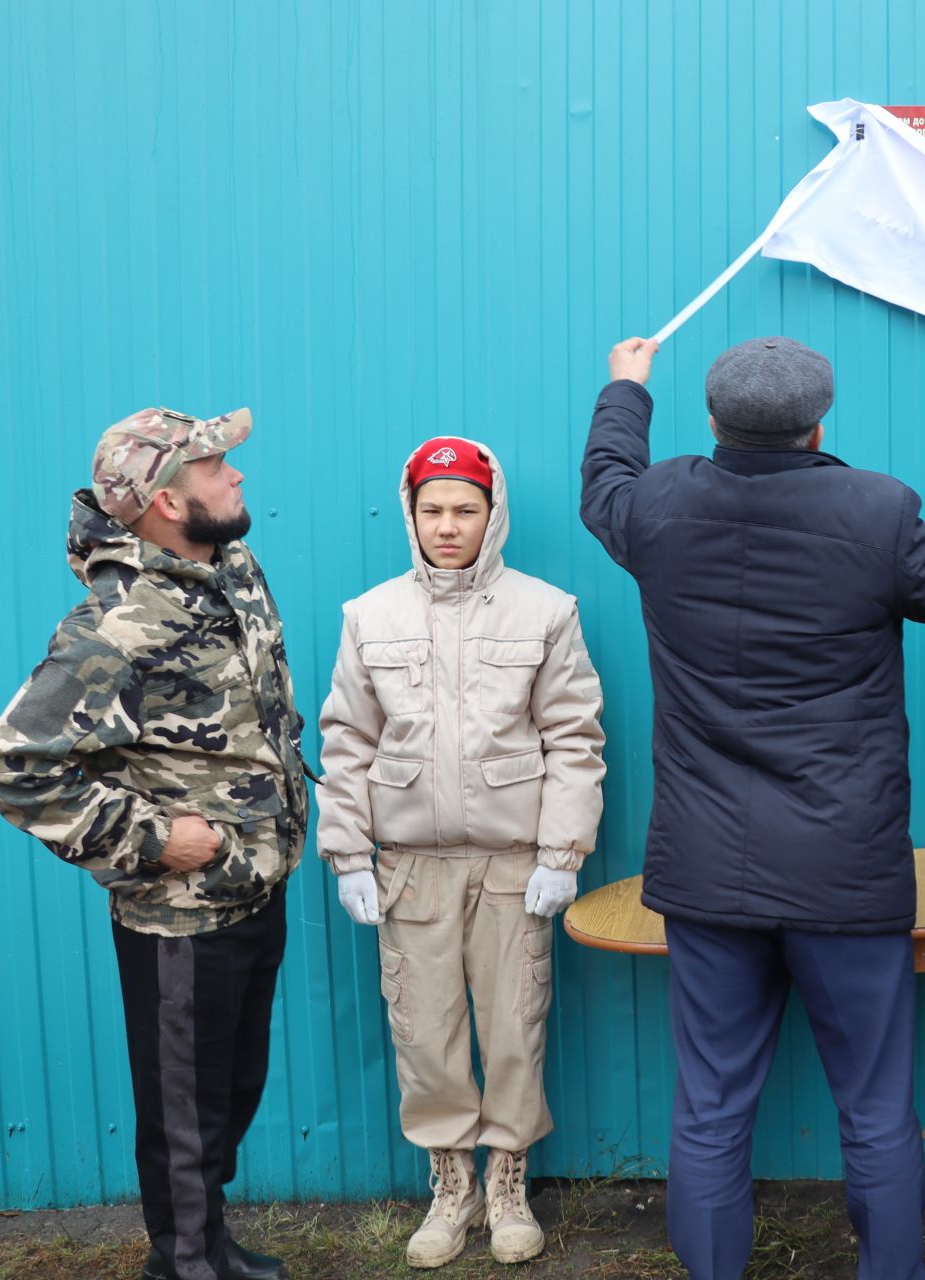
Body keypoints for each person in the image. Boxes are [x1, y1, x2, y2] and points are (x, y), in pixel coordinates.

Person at [580, 334, 925, 1280]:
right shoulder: (874, 511)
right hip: (846, 870)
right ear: (819, 426)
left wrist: (624, 390)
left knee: (711, 1108)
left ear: (712, 421)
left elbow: (605, 479)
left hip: (707, 870)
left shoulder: (656, 508)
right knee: (877, 1107)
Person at [0, 408, 307, 1280]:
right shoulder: (117, 624)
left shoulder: (228, 569)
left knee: (229, 1094)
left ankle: (206, 1245)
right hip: (181, 915)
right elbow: (12, 767)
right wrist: (155, 839)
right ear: (165, 500)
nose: (236, 476)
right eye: (216, 467)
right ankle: (185, 1262)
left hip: (253, 883)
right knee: (185, 1109)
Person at [316, 436, 607, 1269]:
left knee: (515, 1025)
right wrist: (348, 856)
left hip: (516, 866)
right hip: (411, 868)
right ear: (411, 516)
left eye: (465, 510)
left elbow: (574, 739)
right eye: (432, 510)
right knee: (426, 1032)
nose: (449, 526)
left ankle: (508, 1183)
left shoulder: (545, 610)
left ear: (493, 514)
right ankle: (452, 1187)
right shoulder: (369, 617)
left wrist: (562, 850)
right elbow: (346, 745)